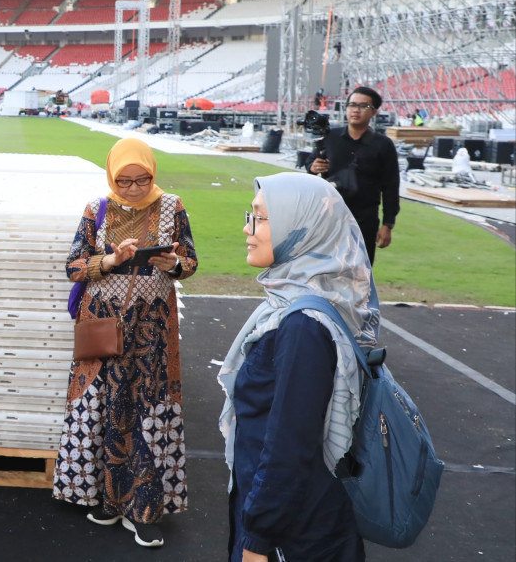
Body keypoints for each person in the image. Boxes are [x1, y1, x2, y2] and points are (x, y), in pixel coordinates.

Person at [218, 172, 380, 562]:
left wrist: (256, 540)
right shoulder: (301, 305)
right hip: (290, 518)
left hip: (290, 534)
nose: (247, 227)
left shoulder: (302, 326)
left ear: (300, 227)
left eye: (260, 217)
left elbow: (289, 447)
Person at [53, 137, 198, 548]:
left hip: (152, 329)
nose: (134, 188)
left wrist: (173, 264)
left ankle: (144, 510)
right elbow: (74, 267)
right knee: (101, 408)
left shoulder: (173, 206)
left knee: (147, 412)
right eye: (124, 180)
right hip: (103, 325)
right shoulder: (96, 209)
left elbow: (189, 261)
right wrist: (112, 261)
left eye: (142, 179)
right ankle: (105, 500)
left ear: (154, 174)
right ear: (111, 175)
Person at [308, 86, 399, 264]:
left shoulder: (383, 145)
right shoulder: (329, 137)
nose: (356, 110)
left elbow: (391, 186)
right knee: (324, 268)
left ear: (374, 112)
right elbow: (310, 163)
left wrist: (388, 224)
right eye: (352, 105)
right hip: (330, 216)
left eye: (363, 106)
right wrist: (313, 166)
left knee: (359, 271)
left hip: (364, 219)